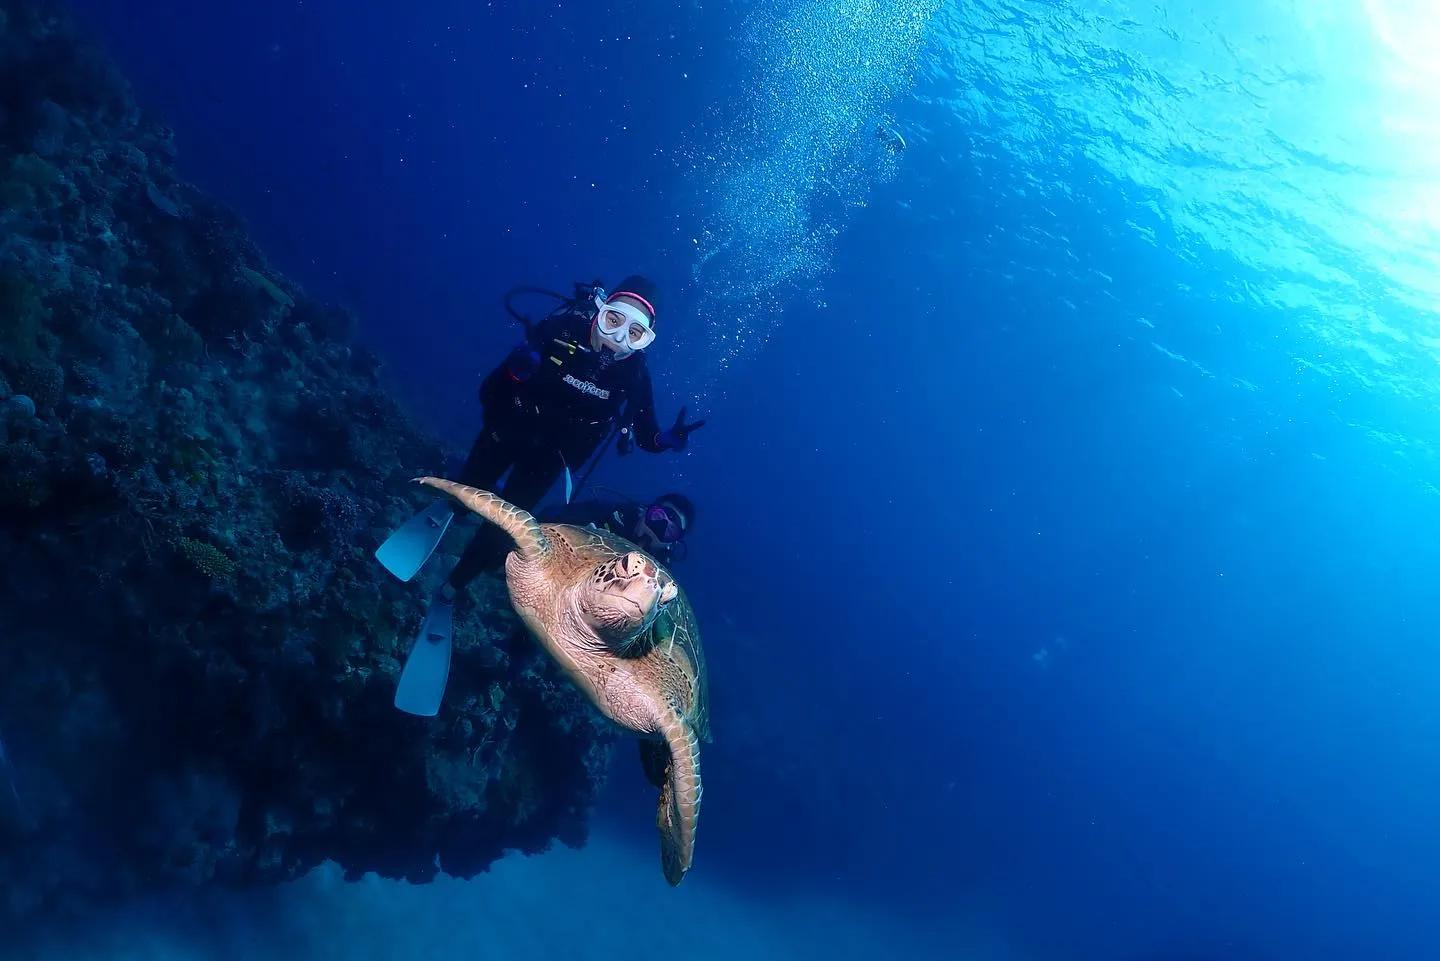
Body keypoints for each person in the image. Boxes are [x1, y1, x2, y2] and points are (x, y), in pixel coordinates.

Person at [375, 274, 706, 716]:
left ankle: (451, 591)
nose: (617, 340)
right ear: (599, 311)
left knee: (502, 530)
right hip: (508, 431)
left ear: (645, 339)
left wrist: (668, 440)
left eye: (634, 333)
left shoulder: (633, 375)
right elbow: (489, 393)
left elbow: (647, 436)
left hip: (549, 460)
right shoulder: (561, 330)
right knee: (474, 482)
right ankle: (447, 507)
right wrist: (516, 370)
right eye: (613, 321)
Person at [543, 489, 696, 567]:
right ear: (644, 510)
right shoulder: (603, 513)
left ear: (672, 543)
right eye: (657, 516)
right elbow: (548, 517)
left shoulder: (660, 578)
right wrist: (576, 531)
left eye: (669, 531)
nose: (657, 528)